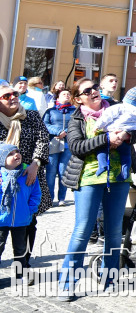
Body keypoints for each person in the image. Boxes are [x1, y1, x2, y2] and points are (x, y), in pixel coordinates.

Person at [57, 78, 136, 300]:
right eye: (88, 90)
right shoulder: (77, 118)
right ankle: (67, 282)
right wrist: (106, 139)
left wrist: (126, 135)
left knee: (114, 232)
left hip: (119, 176)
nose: (94, 91)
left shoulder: (117, 109)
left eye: (95, 87)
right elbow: (76, 147)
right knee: (83, 230)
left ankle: (110, 278)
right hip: (88, 178)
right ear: (78, 98)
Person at [0, 79, 50, 272]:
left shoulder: (31, 116)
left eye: (14, 94)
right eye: (6, 96)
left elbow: (43, 139)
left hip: (29, 177)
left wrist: (35, 164)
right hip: (3, 180)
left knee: (29, 221)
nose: (13, 98)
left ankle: (23, 264)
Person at [0, 143, 41, 278]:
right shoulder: (1, 176)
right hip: (1, 220)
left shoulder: (27, 173)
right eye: (10, 154)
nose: (16, 155)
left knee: (21, 249)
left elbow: (35, 194)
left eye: (17, 152)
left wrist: (30, 210)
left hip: (21, 220)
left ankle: (20, 274)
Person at [93, 86, 136, 179]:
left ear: (125, 98)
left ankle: (102, 165)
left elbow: (106, 117)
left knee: (101, 149)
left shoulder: (118, 107)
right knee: (126, 156)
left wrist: (97, 126)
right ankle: (124, 172)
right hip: (127, 138)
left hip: (112, 132)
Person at [42, 89, 75, 206]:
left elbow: (77, 125)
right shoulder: (51, 111)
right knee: (50, 172)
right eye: (63, 94)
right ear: (58, 97)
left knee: (63, 171)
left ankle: (62, 198)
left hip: (67, 144)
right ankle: (49, 198)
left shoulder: (75, 111)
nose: (66, 95)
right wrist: (58, 131)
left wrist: (66, 132)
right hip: (53, 143)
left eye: (68, 94)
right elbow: (45, 124)